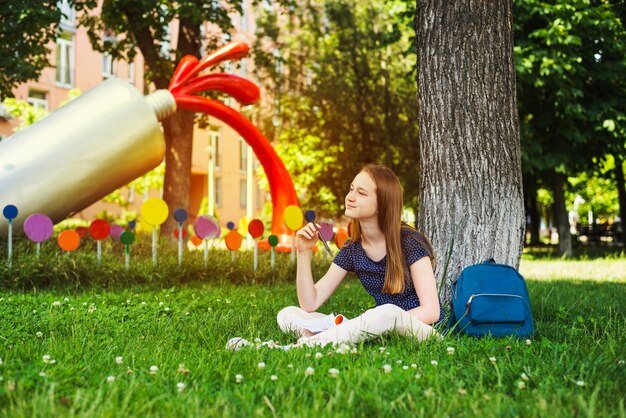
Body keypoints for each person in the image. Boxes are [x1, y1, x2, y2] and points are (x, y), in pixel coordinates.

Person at [276, 164, 443, 348]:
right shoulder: (353, 248)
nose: (350, 197)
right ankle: (341, 335)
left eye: (361, 193)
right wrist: (304, 252)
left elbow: (432, 311)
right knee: (287, 314)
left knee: (386, 313)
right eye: (351, 189)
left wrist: (376, 324)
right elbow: (310, 302)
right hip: (375, 325)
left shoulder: (409, 241)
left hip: (421, 330)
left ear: (382, 203)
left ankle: (304, 345)